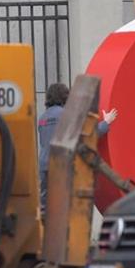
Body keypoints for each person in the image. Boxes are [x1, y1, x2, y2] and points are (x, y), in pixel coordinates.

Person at [38, 83, 117, 215]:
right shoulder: (66, 115)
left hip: (44, 165)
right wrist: (106, 122)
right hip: (62, 165)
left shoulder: (42, 118)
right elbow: (88, 135)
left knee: (46, 208)